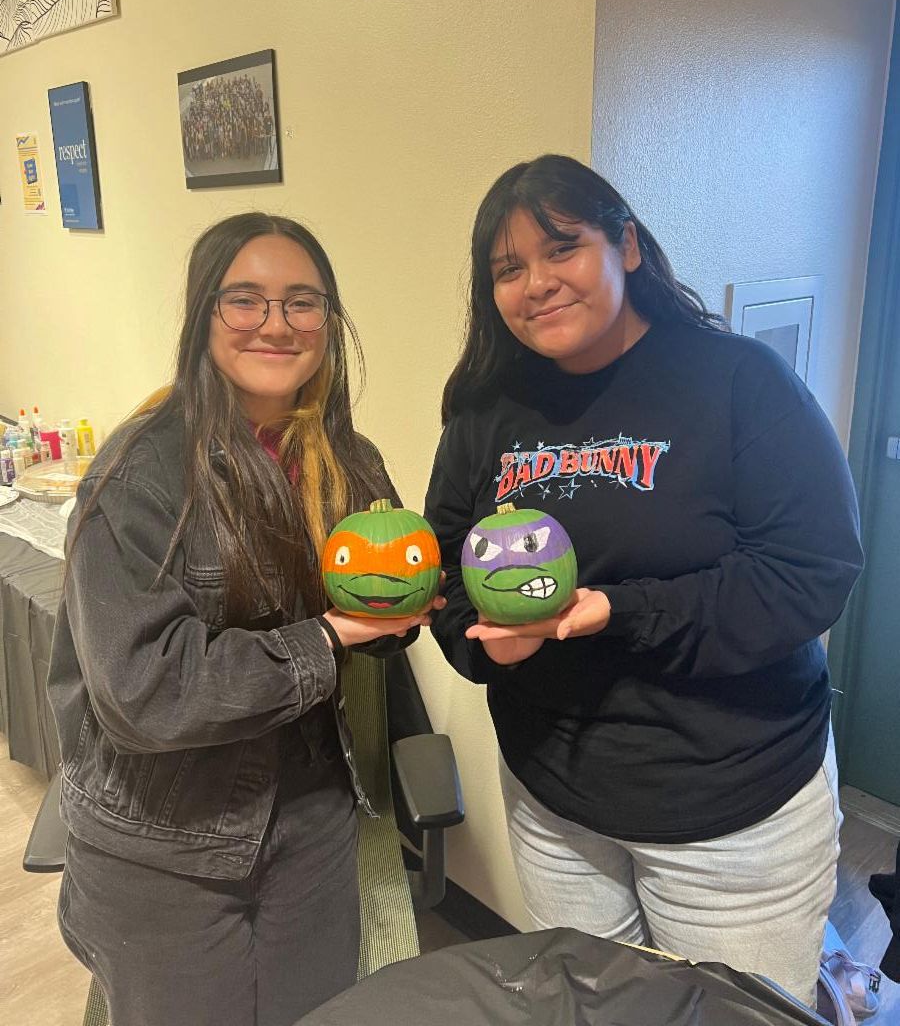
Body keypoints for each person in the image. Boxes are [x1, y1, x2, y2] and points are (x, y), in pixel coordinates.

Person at [425, 154, 863, 1008]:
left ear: (625, 245)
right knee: (593, 1011)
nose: (536, 284)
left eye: (562, 249)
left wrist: (617, 613)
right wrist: (483, 647)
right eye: (508, 269)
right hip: (556, 807)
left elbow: (809, 573)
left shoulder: (738, 381)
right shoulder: (485, 411)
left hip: (734, 812)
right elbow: (445, 566)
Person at [48, 213, 439, 1026]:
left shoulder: (347, 460)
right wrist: (328, 639)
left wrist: (408, 612)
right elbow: (146, 689)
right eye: (246, 300)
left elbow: (378, 600)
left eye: (302, 302)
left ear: (328, 321)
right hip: (169, 844)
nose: (276, 324)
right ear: (204, 314)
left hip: (311, 822)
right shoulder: (140, 474)